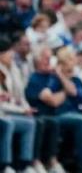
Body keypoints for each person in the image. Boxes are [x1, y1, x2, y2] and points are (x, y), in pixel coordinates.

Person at [0, 35, 37, 173]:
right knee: (7, 123)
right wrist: (21, 111)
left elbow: (20, 95)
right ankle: (4, 165)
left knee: (30, 123)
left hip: (11, 110)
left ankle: (24, 164)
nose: (11, 55)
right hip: (4, 112)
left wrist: (26, 108)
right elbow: (2, 102)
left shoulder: (13, 68)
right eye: (8, 52)